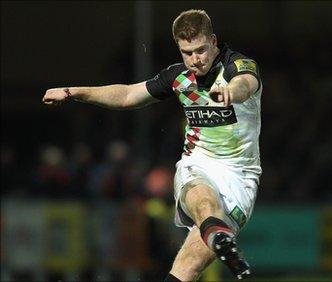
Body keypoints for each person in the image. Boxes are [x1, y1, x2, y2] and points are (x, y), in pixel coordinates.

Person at [42, 9, 262, 281]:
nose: (195, 59)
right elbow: (127, 95)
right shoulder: (178, 77)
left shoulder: (238, 66)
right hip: (199, 163)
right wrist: (73, 92)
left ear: (214, 41)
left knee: (188, 267)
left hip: (240, 176)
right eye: (187, 52)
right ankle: (221, 238)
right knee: (204, 202)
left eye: (201, 50)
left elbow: (246, 84)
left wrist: (230, 92)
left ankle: (219, 237)